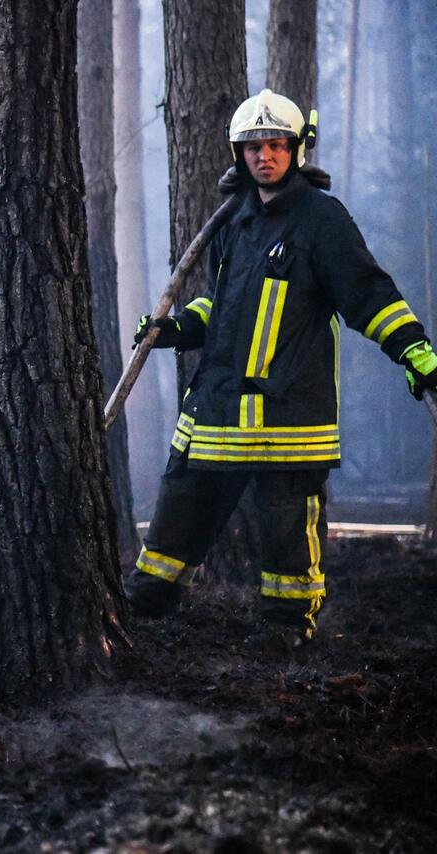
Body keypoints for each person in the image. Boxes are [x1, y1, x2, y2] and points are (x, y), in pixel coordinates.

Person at [125, 89, 437, 647]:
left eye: (274, 145)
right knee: (183, 496)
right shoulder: (233, 221)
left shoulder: (322, 220)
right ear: (237, 153)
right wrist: (174, 330)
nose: (263, 157)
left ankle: (288, 625)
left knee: (286, 518)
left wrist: (414, 350)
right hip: (217, 403)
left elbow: (367, 294)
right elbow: (218, 305)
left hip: (288, 409)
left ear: (296, 149)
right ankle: (149, 602)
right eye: (252, 147)